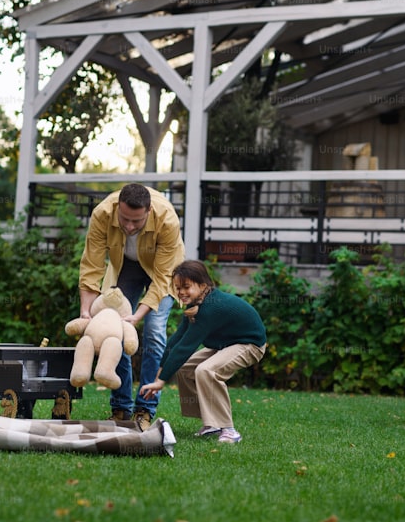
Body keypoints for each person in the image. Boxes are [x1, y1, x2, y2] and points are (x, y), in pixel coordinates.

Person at [78, 183, 185, 431]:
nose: (129, 226)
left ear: (148, 211)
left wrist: (137, 315)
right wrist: (86, 310)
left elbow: (162, 279)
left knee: (154, 332)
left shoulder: (167, 219)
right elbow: (92, 265)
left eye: (136, 221)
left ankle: (144, 411)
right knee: (113, 332)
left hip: (162, 272)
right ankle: (121, 408)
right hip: (126, 267)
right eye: (124, 219)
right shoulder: (102, 214)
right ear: (118, 208)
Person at [140, 260, 267, 444]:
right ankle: (211, 423)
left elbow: (186, 347)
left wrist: (160, 382)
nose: (181, 292)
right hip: (227, 344)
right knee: (185, 368)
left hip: (250, 345)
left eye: (186, 287)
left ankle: (229, 430)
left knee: (206, 370)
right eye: (177, 287)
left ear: (203, 285)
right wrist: (160, 372)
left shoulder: (210, 308)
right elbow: (176, 340)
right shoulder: (196, 303)